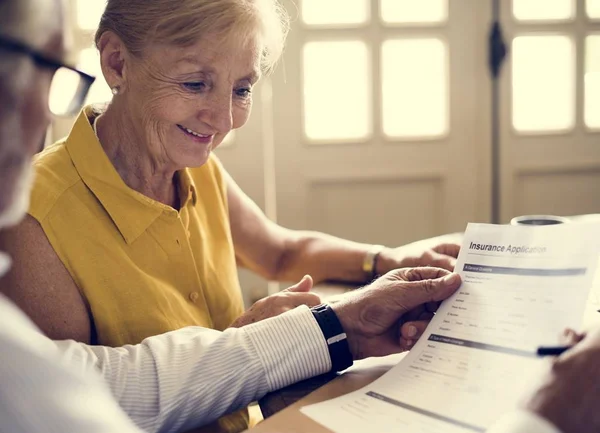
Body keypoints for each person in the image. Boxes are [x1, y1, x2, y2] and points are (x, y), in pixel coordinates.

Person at [0, 2, 599, 433]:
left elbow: (279, 253)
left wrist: (384, 262)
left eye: (242, 88)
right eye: (194, 82)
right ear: (116, 63)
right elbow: (82, 411)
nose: (224, 118)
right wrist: (255, 341)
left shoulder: (191, 162)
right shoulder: (31, 218)